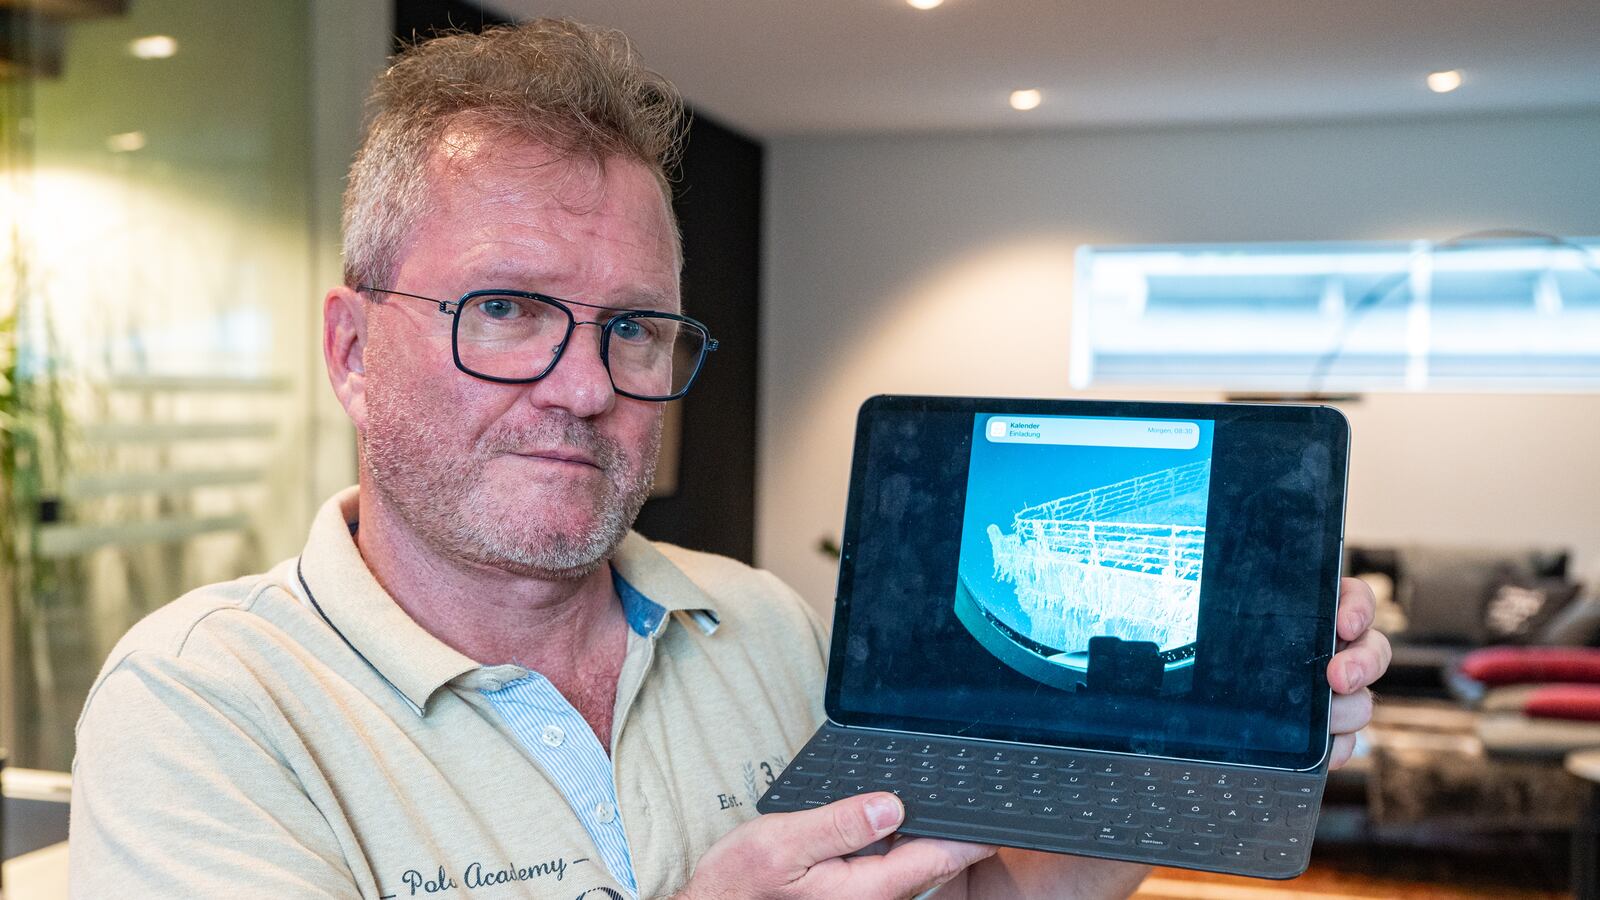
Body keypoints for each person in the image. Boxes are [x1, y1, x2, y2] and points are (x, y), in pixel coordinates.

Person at [68, 19, 1390, 900]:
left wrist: (1167, 756)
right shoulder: (204, 708)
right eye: (509, 312)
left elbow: (979, 894)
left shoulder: (758, 626)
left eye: (634, 329)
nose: (585, 388)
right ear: (353, 349)